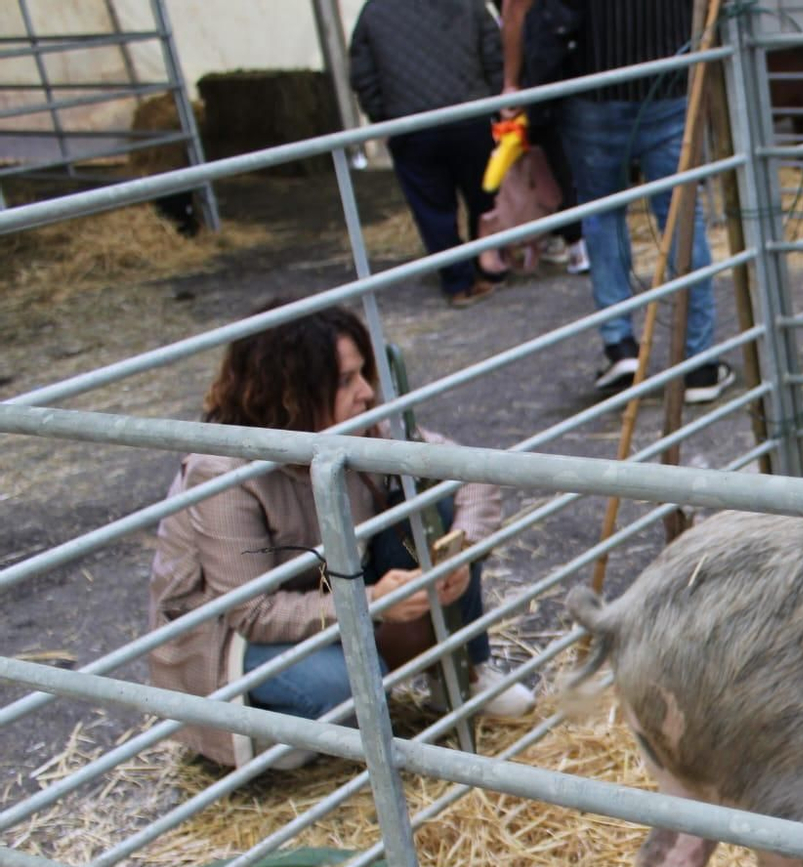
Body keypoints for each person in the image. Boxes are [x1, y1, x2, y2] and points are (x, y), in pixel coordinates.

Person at [147, 304, 534, 772]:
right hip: (239, 640)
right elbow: (251, 611)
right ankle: (269, 728)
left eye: (362, 374)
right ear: (292, 393)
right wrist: (371, 601)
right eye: (347, 380)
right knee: (348, 684)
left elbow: (465, 471)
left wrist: (461, 548)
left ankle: (460, 674)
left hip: (333, 585)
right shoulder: (224, 472)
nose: (367, 392)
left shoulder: (357, 426)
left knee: (435, 506)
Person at [501, 0, 734, 399]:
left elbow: (517, 6)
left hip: (594, 86)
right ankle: (698, 363)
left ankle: (621, 346)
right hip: (667, 79)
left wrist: (514, 82)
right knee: (681, 215)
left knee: (602, 214)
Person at [349, 0, 513, 308]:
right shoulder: (468, 5)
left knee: (433, 209)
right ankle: (491, 266)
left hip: (411, 125)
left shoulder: (374, 12)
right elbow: (494, 53)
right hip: (470, 117)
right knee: (484, 194)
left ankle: (458, 282)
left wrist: (383, 117)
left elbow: (362, 73)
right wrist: (492, 103)